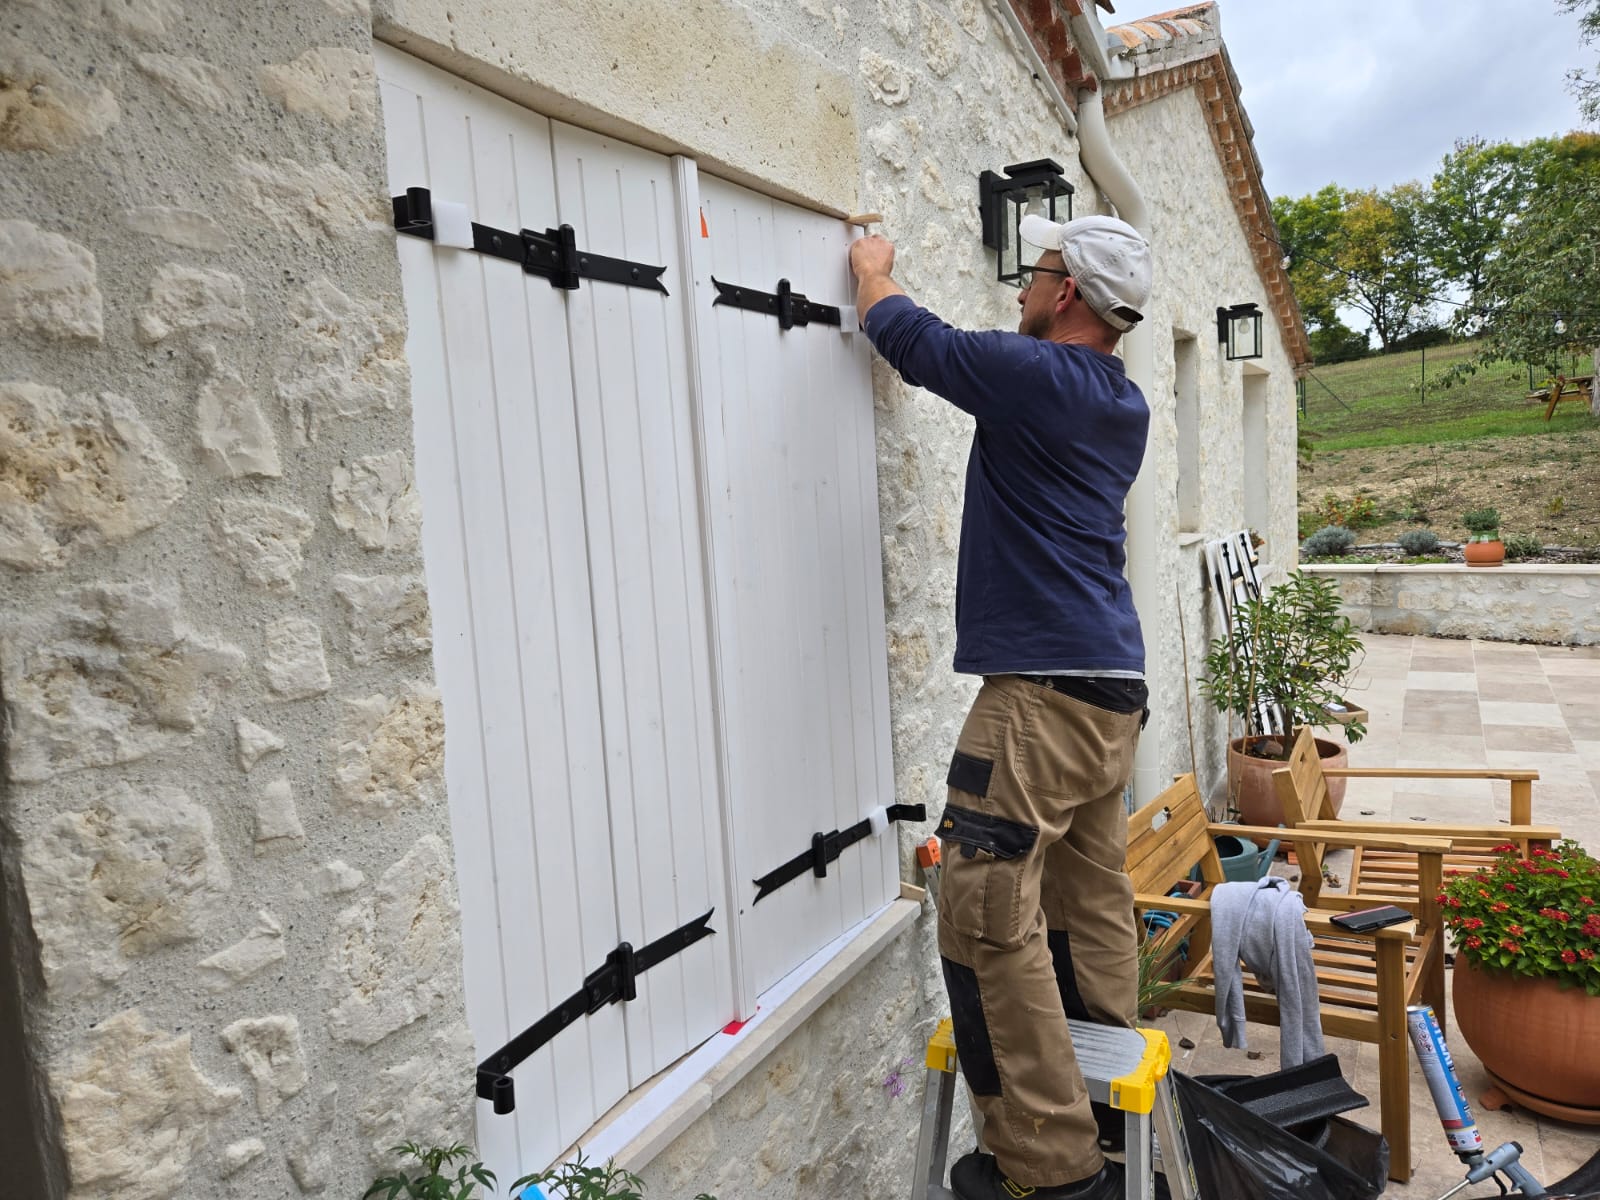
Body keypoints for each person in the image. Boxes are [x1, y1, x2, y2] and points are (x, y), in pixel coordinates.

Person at [849, 213, 1154, 1200]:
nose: (1021, 287)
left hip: (1042, 697)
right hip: (1110, 692)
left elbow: (916, 341)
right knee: (1087, 896)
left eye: (1037, 272)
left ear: (1066, 294)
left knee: (983, 909)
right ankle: (1107, 1117)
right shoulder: (1121, 399)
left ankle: (1049, 1165)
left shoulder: (1041, 376)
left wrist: (872, 272)